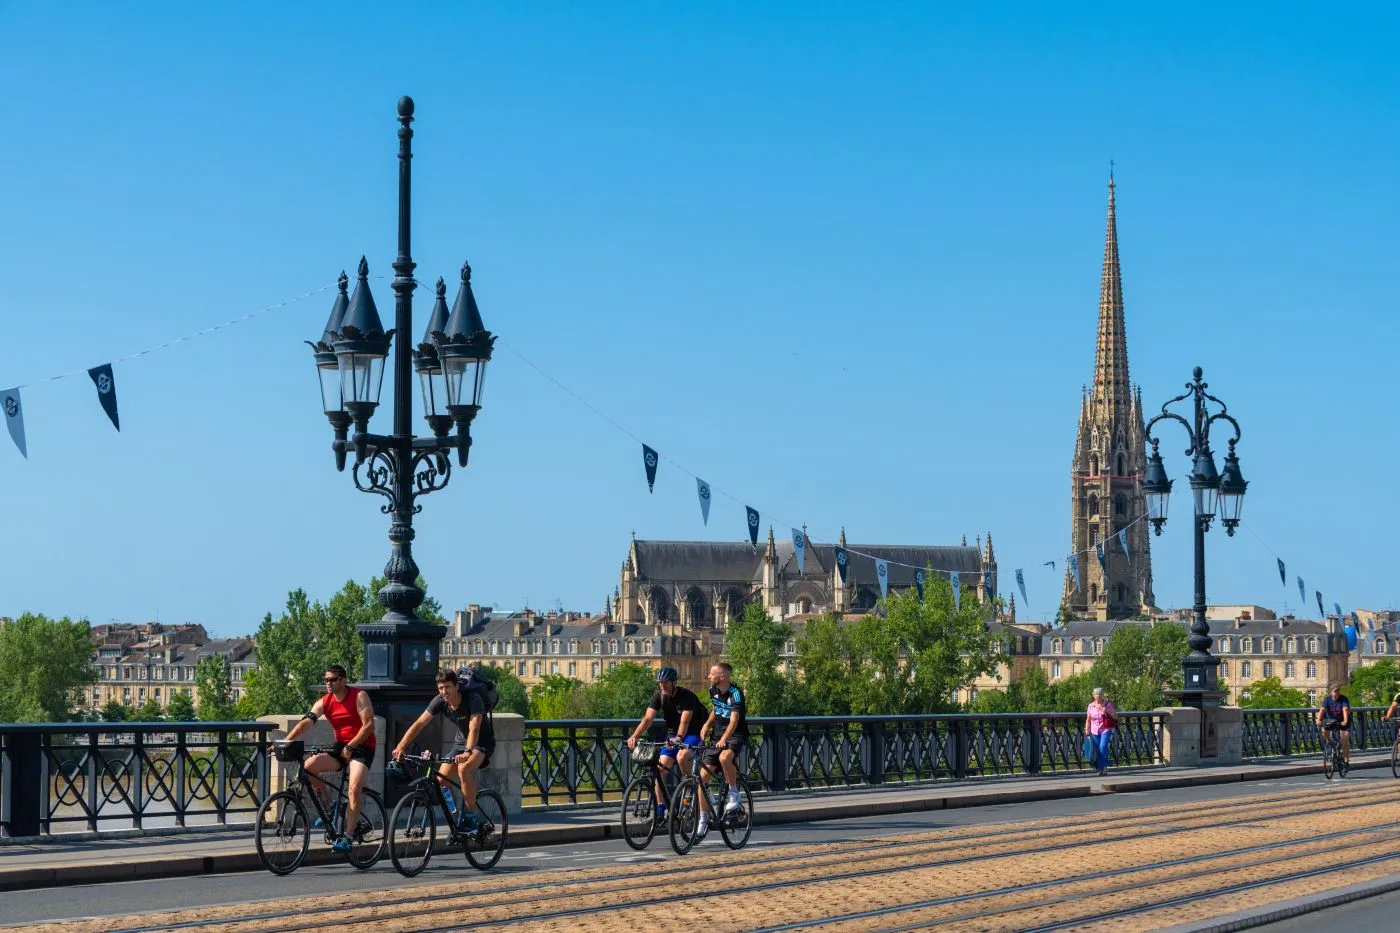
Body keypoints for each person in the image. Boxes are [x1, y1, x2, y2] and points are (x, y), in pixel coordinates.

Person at [279, 664, 375, 853]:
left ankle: (348, 836)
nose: (328, 683)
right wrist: (286, 741)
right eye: (326, 680)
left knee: (354, 788)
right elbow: (307, 721)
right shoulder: (325, 701)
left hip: (362, 747)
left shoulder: (359, 696)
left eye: (332, 679)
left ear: (343, 680)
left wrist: (351, 746)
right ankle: (330, 804)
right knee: (308, 767)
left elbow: (369, 725)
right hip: (340, 746)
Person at [393, 669, 495, 835]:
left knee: (464, 769)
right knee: (441, 780)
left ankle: (471, 816)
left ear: (456, 687)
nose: (444, 692)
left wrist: (468, 751)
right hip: (460, 743)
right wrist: (401, 745)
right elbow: (420, 723)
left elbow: (474, 727)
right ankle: (457, 819)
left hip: (481, 743)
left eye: (447, 687)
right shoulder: (440, 701)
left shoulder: (473, 699)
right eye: (440, 688)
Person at [625, 667, 705, 821]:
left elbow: (685, 720)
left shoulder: (687, 696)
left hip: (692, 734)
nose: (663, 686)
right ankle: (661, 809)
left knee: (682, 757)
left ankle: (690, 786)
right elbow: (648, 719)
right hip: (672, 735)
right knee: (660, 769)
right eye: (660, 683)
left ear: (674, 682)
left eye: (666, 683)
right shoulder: (659, 696)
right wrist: (634, 736)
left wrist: (679, 737)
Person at [697, 662, 747, 839]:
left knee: (726, 757)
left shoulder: (736, 693)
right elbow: (715, 710)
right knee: (702, 778)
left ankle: (733, 793)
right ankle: (703, 820)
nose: (709, 676)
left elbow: (734, 720)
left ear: (723, 677)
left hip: (735, 736)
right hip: (717, 736)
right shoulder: (712, 691)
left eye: (712, 674)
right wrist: (707, 724)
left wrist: (725, 739)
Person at [1084, 687, 1117, 776]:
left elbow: (1115, 716)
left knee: (1103, 747)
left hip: (1105, 729)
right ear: (1093, 695)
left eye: (1100, 694)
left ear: (1102, 695)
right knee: (1098, 749)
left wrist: (1106, 710)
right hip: (1094, 730)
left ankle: (1105, 766)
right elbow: (1088, 719)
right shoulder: (1091, 706)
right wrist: (1087, 729)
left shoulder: (1107, 704)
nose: (1098, 696)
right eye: (1096, 694)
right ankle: (1100, 768)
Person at [1316, 683, 1352, 766]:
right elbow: (1322, 710)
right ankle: (1329, 743)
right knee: (1324, 730)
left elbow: (1345, 710)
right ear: (1331, 692)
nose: (1337, 693)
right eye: (1335, 691)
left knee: (1344, 738)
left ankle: (1346, 761)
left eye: (1338, 690)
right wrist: (1318, 719)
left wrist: (1345, 721)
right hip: (1330, 721)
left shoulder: (1343, 699)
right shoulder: (1327, 699)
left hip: (1342, 721)